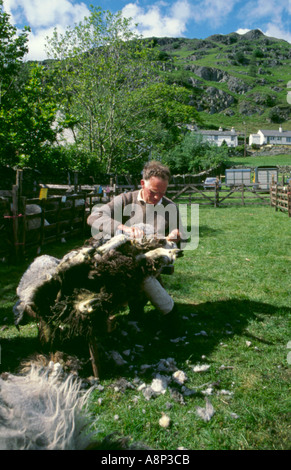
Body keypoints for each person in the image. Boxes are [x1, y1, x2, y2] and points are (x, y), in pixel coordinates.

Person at [87, 161, 186, 336]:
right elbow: (94, 217)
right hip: (122, 256)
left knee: (142, 273)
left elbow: (182, 239)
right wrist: (123, 228)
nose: (157, 199)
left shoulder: (169, 206)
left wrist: (177, 235)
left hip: (150, 260)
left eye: (162, 194)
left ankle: (150, 311)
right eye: (153, 193)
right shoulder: (126, 200)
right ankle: (167, 313)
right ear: (142, 184)